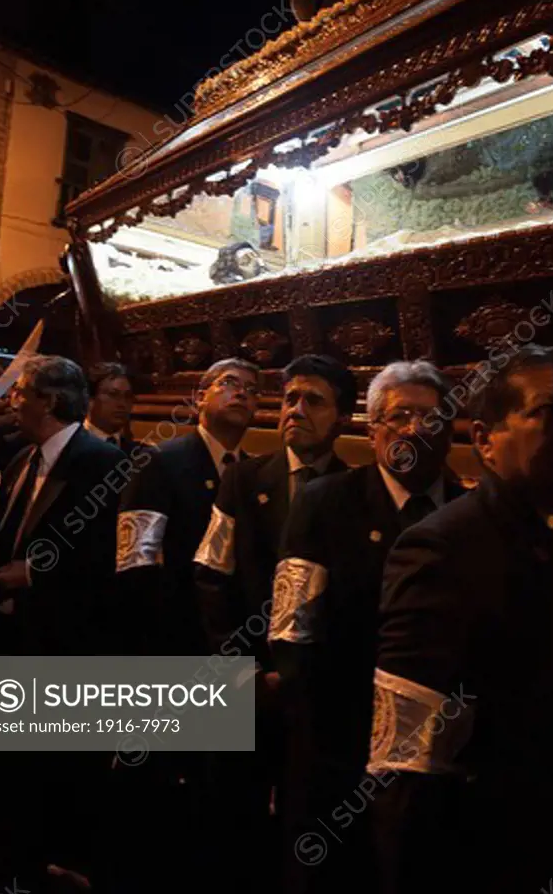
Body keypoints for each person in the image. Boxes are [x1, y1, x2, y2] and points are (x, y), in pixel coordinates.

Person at [368, 345, 553, 894]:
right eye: (547, 412)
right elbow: (410, 763)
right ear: (484, 441)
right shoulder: (441, 548)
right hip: (493, 854)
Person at [270, 360, 465, 893]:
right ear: (373, 427)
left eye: (432, 416)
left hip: (444, 754)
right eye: (401, 415)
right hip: (340, 749)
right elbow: (292, 630)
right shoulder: (324, 501)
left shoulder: (472, 513)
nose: (416, 428)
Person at [0, 356, 126, 894]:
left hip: (61, 645)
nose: (10, 400)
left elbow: (108, 558)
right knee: (5, 781)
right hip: (5, 640)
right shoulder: (20, 460)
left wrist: (31, 574)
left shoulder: (101, 462)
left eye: (21, 392)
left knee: (53, 776)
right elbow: (6, 524)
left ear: (49, 401)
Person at [194, 353, 356, 891]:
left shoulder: (353, 493)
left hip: (312, 691)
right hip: (241, 681)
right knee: (231, 815)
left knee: (304, 817)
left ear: (343, 417)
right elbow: (212, 575)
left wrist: (298, 675)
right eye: (289, 399)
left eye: (313, 401)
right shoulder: (242, 479)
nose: (296, 410)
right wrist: (240, 670)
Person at [102, 358, 259, 894]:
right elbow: (135, 562)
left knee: (217, 791)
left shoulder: (251, 470)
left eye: (253, 389)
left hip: (228, 652)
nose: (242, 394)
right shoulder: (161, 461)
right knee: (162, 791)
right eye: (230, 385)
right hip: (172, 649)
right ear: (200, 397)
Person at [84, 361, 142, 453]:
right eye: (113, 395)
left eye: (127, 396)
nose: (122, 404)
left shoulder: (138, 453)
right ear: (90, 399)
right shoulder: (72, 447)